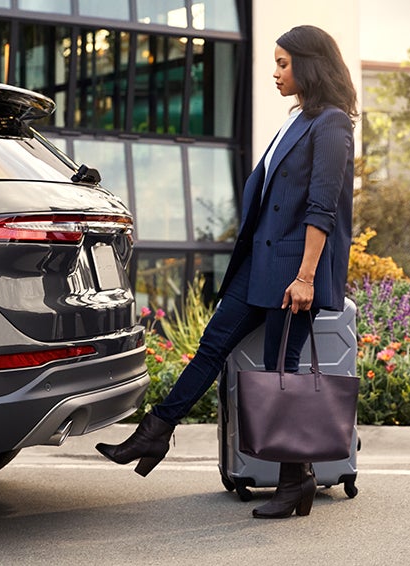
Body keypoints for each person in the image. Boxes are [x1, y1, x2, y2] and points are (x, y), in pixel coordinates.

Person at [96, 24, 358, 519]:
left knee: (283, 374)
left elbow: (322, 207)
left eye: (283, 63)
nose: (275, 72)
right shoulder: (296, 120)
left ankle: (294, 481)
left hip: (293, 272)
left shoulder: (332, 123)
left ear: (310, 64)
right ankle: (155, 432)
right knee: (212, 346)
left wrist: (305, 277)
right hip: (260, 265)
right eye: (275, 62)